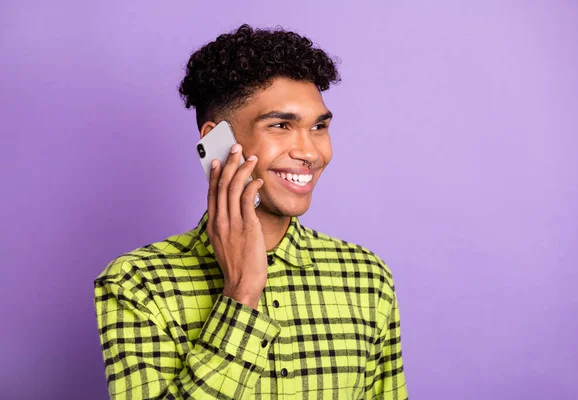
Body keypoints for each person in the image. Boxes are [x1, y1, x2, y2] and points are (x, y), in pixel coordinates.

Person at [94, 24, 408, 400]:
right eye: (281, 125)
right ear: (217, 142)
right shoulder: (138, 283)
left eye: (319, 127)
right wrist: (241, 293)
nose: (310, 152)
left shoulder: (366, 276)